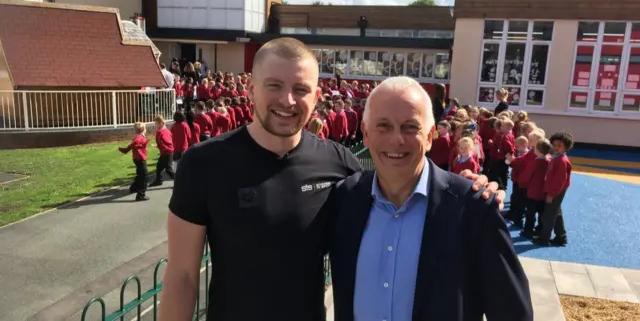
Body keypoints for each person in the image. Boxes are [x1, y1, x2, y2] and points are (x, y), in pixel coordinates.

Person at [159, 38, 506, 321]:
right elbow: (182, 276)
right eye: (274, 86)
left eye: (300, 88)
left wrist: (471, 190)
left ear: (317, 96)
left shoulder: (338, 163)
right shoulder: (203, 164)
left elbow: (399, 194)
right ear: (251, 89)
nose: (287, 100)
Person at [327, 77, 533, 321]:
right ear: (366, 133)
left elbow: (513, 313)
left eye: (410, 127)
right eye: (383, 126)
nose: (397, 139)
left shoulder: (473, 208)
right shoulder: (344, 199)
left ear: (430, 136)